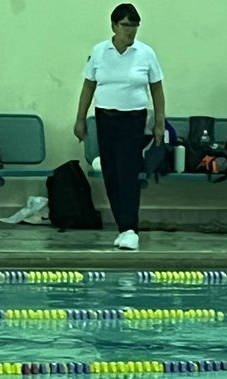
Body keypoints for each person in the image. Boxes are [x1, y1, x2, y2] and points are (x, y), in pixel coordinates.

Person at [74, 3, 166, 251]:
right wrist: (80, 119)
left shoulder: (145, 53)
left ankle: (131, 228)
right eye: (126, 25)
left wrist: (159, 122)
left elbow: (156, 88)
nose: (131, 31)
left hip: (133, 120)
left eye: (135, 26)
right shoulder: (99, 52)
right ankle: (122, 226)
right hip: (105, 118)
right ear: (114, 25)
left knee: (128, 174)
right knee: (111, 174)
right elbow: (88, 86)